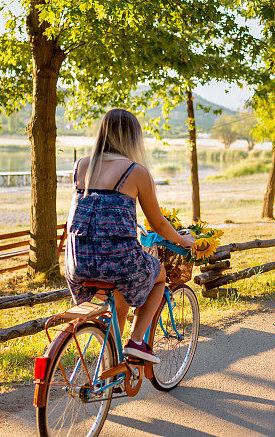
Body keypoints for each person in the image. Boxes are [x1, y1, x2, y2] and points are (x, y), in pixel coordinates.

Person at [66, 109, 195, 364]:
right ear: (133, 138)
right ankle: (137, 342)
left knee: (120, 290)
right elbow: (157, 223)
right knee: (159, 274)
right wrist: (184, 241)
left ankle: (112, 358)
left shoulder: (82, 166)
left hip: (77, 261)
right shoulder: (136, 172)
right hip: (118, 261)